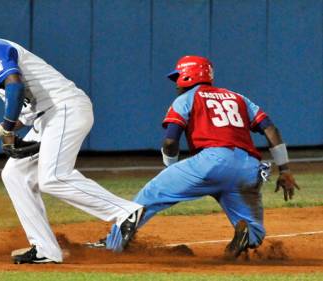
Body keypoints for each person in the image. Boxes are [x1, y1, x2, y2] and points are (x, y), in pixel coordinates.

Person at [0, 13, 143, 264]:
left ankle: (125, 211)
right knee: (14, 174)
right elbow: (26, 109)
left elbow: (15, 87)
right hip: (49, 116)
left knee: (52, 177)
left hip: (64, 110)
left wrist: (7, 129)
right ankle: (45, 249)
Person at [98, 55, 300, 257]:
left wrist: (171, 167)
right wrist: (285, 169)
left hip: (211, 162)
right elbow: (271, 129)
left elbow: (170, 141)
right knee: (252, 226)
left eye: (178, 76)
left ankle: (112, 243)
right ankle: (248, 235)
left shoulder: (186, 99)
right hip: (249, 168)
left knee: (150, 194)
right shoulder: (238, 97)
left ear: (188, 76)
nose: (176, 83)